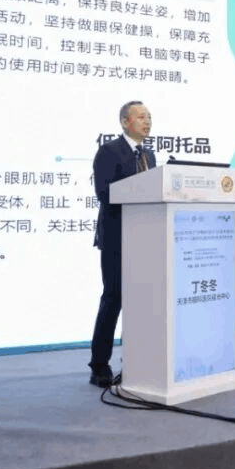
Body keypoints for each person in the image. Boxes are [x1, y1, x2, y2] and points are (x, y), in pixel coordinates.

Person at [88, 101, 156, 387]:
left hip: (145, 238)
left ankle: (136, 363)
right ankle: (99, 365)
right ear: (125, 122)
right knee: (113, 298)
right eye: (141, 116)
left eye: (149, 117)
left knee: (142, 300)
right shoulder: (109, 151)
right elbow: (104, 193)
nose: (147, 121)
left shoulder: (149, 155)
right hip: (116, 236)